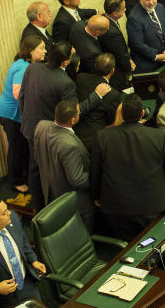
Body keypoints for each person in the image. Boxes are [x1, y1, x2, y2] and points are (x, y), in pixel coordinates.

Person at [18, 41, 109, 210]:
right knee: (53, 171)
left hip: (30, 128)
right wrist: (96, 96)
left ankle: (37, 209)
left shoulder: (32, 68)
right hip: (51, 132)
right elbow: (73, 114)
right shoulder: (65, 82)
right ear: (65, 62)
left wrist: (26, 120)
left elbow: (22, 96)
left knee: (34, 168)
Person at [91, 95, 165, 241]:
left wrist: (95, 196)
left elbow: (95, 172)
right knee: (153, 243)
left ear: (121, 114)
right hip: (153, 205)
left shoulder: (102, 136)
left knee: (125, 246)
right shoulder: (159, 136)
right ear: (142, 114)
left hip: (116, 206)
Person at [33, 100, 94, 231]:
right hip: (75, 202)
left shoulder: (41, 126)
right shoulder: (69, 145)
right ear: (73, 120)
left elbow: (38, 158)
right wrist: (97, 175)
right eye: (78, 113)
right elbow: (77, 179)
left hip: (50, 192)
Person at [0, 36, 46, 194]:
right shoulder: (23, 67)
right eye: (41, 48)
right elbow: (18, 92)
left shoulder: (29, 64)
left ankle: (23, 175)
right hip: (10, 114)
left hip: (17, 114)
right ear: (31, 51)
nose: (45, 51)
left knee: (22, 146)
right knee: (16, 148)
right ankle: (15, 181)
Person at [74, 53, 124, 155]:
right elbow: (112, 121)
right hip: (94, 141)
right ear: (113, 70)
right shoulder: (113, 94)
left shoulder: (81, 78)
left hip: (75, 134)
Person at [126, 0, 165, 72]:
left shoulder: (160, 7)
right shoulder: (134, 18)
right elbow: (138, 44)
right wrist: (156, 56)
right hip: (148, 64)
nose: (151, 2)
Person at [99, 0, 135, 91]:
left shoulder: (105, 17)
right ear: (115, 13)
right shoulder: (111, 32)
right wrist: (129, 66)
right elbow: (119, 54)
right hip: (117, 71)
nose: (126, 9)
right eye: (123, 8)